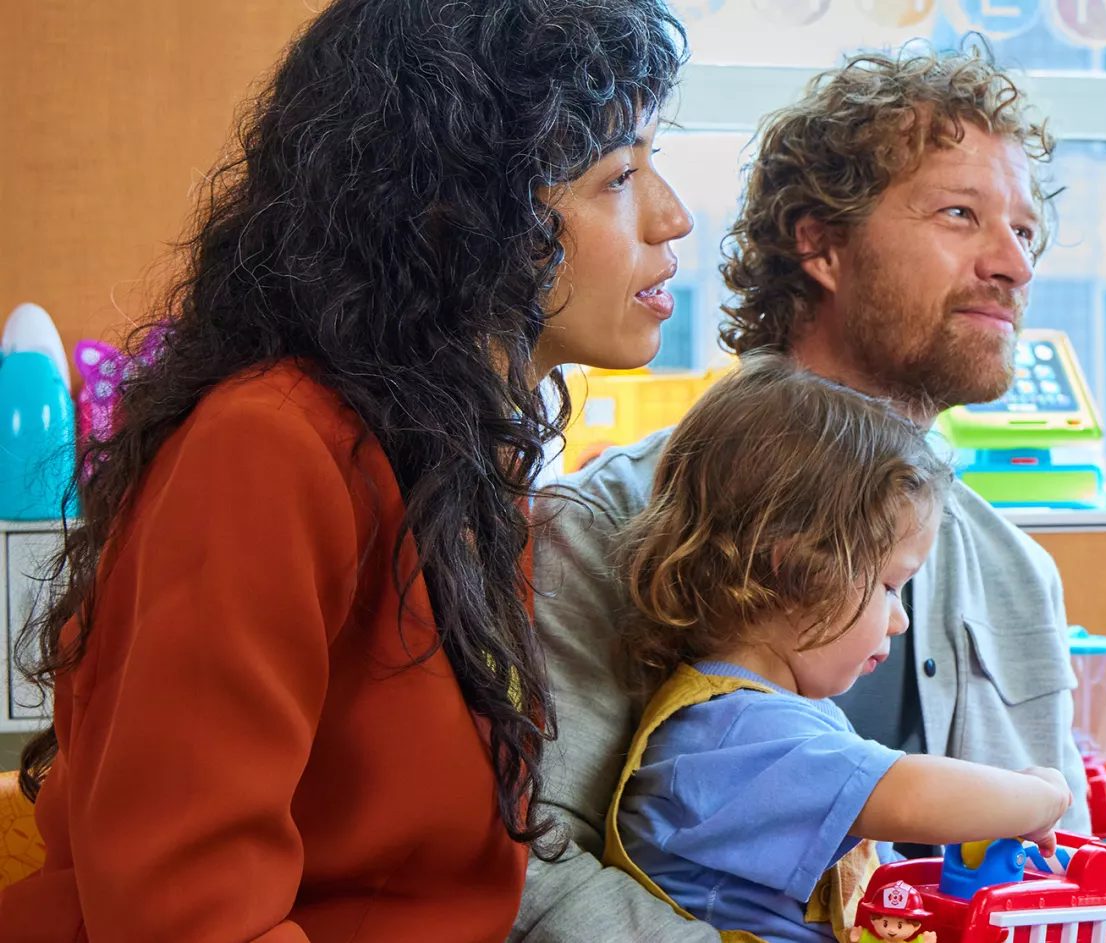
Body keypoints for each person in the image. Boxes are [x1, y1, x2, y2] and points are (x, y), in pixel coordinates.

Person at [0, 0, 693, 940]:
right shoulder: (271, 447)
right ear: (456, 209)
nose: (673, 217)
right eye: (619, 176)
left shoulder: (461, 463)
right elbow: (191, 916)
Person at [514, 43, 1106, 943]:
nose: (1014, 266)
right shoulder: (600, 531)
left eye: (1024, 232)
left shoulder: (1016, 574)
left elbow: (1050, 862)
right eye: (960, 214)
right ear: (820, 242)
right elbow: (535, 875)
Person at [599, 357, 1075, 942]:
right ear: (801, 568)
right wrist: (1039, 796)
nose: (899, 620)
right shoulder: (731, 734)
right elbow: (909, 794)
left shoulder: (772, 718)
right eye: (889, 585)